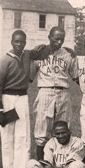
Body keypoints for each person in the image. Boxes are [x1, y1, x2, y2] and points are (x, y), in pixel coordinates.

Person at [0, 30, 32, 168]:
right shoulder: (4, 60)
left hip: (22, 98)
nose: (19, 44)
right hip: (7, 99)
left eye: (22, 42)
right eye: (17, 41)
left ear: (25, 43)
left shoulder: (27, 55)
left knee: (22, 136)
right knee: (8, 137)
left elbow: (43, 51)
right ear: (11, 42)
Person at [31, 26, 79, 160]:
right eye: (56, 39)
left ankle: (61, 163)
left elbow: (76, 77)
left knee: (63, 129)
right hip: (45, 91)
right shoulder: (39, 52)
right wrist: (32, 55)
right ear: (49, 37)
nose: (59, 42)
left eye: (62, 39)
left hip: (63, 92)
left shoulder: (68, 54)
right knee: (42, 129)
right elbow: (29, 76)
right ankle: (41, 165)